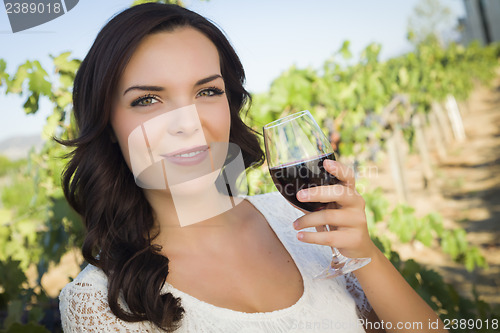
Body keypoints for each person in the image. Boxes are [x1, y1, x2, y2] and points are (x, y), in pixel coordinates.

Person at [58, 3, 446, 332]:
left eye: (207, 91)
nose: (188, 122)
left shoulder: (299, 222)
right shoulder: (97, 304)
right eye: (147, 100)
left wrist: (365, 255)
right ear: (108, 125)